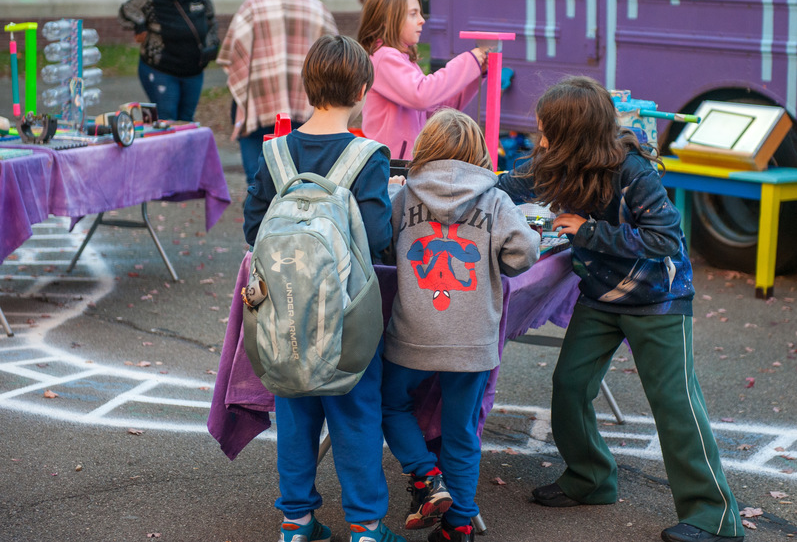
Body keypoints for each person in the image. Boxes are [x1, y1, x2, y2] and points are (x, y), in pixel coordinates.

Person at [496, 77, 745, 542]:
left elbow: (664, 239)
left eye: (547, 132)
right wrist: (453, 180)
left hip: (658, 301)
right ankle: (590, 478)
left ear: (575, 134)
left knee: (675, 404)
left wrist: (588, 232)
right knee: (570, 384)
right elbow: (508, 186)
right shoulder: (560, 163)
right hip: (602, 296)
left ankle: (715, 516)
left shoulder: (634, 173)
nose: (541, 140)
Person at [242, 35, 404, 542]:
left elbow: (253, 226)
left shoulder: (275, 153)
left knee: (294, 412)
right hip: (347, 313)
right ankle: (365, 526)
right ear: (362, 88)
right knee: (356, 414)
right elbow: (378, 238)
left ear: (309, 86)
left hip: (283, 313)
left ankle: (296, 522)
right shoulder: (367, 155)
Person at [382, 108, 540, 542]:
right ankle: (459, 525)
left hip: (413, 334)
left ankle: (425, 477)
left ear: (425, 149)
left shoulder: (405, 196)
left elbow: (380, 242)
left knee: (389, 403)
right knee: (461, 431)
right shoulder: (496, 199)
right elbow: (523, 253)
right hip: (472, 340)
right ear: (478, 152)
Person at [218, 0, 339, 184]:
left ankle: (256, 192)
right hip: (305, 94)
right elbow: (335, 53)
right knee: (300, 151)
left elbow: (234, 54)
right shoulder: (316, 8)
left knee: (252, 140)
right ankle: (295, 193)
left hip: (259, 92)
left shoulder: (252, 6)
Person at [357, 0, 488, 160]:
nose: (422, 20)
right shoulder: (384, 57)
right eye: (413, 14)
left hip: (400, 161)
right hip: (391, 163)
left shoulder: (401, 59)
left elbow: (437, 108)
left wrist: (474, 74)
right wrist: (468, 62)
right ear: (389, 20)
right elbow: (422, 95)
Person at [119, 0, 219, 122]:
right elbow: (126, 10)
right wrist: (140, 25)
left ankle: (182, 150)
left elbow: (211, 22)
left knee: (186, 120)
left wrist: (211, 45)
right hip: (161, 70)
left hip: (193, 71)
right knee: (167, 118)